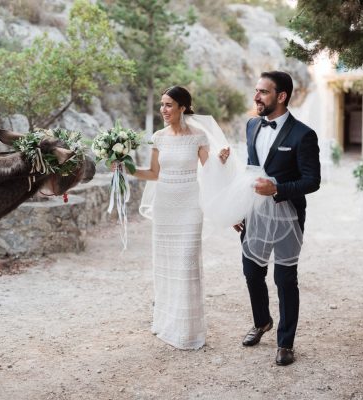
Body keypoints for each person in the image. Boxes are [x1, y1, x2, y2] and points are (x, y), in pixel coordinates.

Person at [130, 86, 230, 350]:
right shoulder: (158, 137)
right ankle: (166, 323)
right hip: (165, 207)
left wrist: (220, 161)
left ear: (183, 108)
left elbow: (209, 171)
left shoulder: (198, 136)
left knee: (186, 263)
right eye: (162, 105)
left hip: (189, 206)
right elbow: (153, 173)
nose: (163, 110)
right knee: (165, 265)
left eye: (169, 105)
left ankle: (187, 330)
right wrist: (125, 167)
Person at [234, 71, 321, 365]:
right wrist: (238, 208)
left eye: (263, 92)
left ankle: (285, 343)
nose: (256, 97)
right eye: (256, 91)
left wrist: (278, 189)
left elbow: (312, 180)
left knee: (285, 279)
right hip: (254, 213)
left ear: (281, 96)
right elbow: (249, 170)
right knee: (252, 272)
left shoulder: (303, 135)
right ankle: (262, 322)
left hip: (287, 216)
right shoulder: (250, 125)